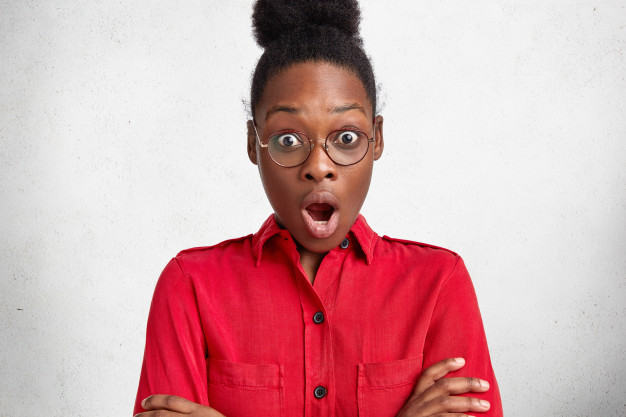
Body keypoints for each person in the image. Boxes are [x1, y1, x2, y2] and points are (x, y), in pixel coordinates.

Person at [133, 1, 503, 416]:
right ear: (253, 144)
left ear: (377, 138)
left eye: (346, 137)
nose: (319, 167)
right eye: (288, 140)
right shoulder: (190, 287)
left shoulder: (438, 285)